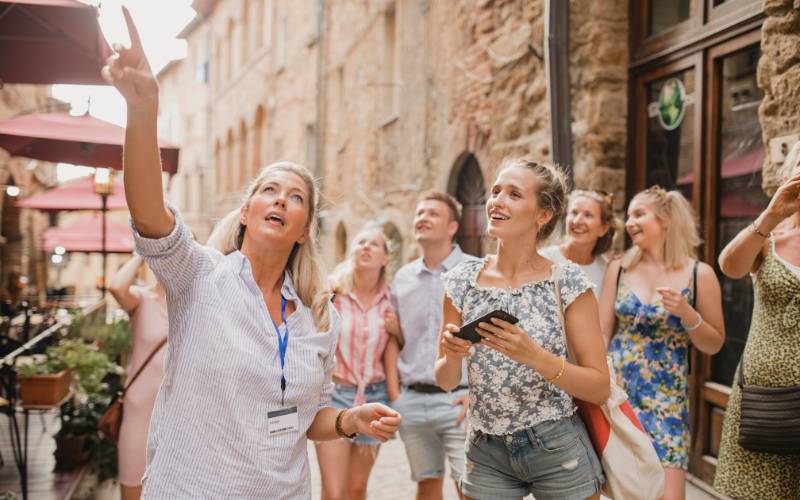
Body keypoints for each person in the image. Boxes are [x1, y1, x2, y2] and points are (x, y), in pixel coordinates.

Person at [102, 8, 400, 498]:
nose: (281, 199)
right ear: (245, 212)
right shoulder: (198, 276)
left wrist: (349, 419)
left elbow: (311, 418)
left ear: (303, 231)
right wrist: (143, 109)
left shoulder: (315, 318)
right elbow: (150, 212)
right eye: (269, 190)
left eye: (296, 196)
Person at [436, 158, 610, 500]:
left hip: (557, 446)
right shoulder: (461, 281)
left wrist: (534, 356)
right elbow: (444, 379)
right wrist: (452, 356)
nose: (497, 201)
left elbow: (599, 387)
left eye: (514, 194)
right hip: (486, 451)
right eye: (496, 191)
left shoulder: (568, 282)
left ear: (542, 215)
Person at [599, 186, 726, 500]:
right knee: (619, 491)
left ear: (667, 219)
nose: (629, 223)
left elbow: (714, 343)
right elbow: (602, 334)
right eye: (628, 215)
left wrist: (687, 314)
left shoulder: (700, 274)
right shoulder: (619, 269)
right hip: (619, 397)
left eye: (639, 214)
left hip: (667, 401)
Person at [714, 142, 800, 499]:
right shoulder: (769, 238)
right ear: (785, 174)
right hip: (764, 403)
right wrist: (770, 216)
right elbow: (730, 266)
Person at [385, 190, 475, 500]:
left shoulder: (476, 272)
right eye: (419, 213)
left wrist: (476, 393)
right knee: (426, 485)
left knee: (470, 490)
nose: (422, 218)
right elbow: (395, 340)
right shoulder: (402, 278)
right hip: (413, 403)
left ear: (452, 227)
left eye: (432, 214)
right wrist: (397, 397)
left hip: (460, 401)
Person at [315, 225, 401, 500]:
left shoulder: (392, 301)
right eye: (361, 241)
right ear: (352, 251)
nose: (365, 247)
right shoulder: (332, 294)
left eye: (374, 244)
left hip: (374, 397)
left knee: (356, 490)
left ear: (386, 258)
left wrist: (398, 330)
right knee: (334, 491)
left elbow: (394, 349)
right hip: (336, 396)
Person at [108, 254, 167, 500]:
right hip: (139, 414)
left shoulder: (193, 304)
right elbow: (116, 287)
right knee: (132, 490)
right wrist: (142, 251)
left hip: (177, 416)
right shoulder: (142, 299)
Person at [540, 189, 619, 299]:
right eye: (574, 213)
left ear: (603, 228)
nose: (577, 221)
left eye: (588, 215)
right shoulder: (545, 258)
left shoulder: (606, 271)